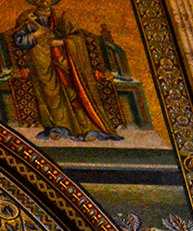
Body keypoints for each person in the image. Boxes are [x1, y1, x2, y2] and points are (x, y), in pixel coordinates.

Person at [9, 0, 122, 141]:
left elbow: (78, 38)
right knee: (50, 96)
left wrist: (62, 43)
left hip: (65, 61)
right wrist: (35, 36)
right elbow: (18, 41)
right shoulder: (26, 17)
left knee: (74, 91)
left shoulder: (63, 17)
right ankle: (58, 128)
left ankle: (87, 129)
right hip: (41, 63)